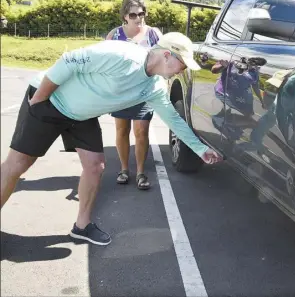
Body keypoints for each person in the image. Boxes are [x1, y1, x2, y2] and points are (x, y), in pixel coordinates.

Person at [0, 32, 223, 246]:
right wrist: (39, 97)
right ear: (167, 56)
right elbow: (70, 60)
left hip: (81, 115)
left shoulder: (154, 87)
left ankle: (82, 226)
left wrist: (200, 149)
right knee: (18, 165)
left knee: (96, 166)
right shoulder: (122, 55)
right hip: (50, 99)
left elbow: (173, 119)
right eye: (182, 64)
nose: (181, 70)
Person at [106, 0, 162, 190]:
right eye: (133, 14)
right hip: (121, 92)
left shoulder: (153, 34)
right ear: (125, 17)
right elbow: (106, 62)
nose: (139, 17)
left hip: (144, 91)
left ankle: (140, 172)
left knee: (141, 131)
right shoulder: (115, 35)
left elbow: (162, 58)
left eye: (142, 13)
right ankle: (123, 169)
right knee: (122, 130)